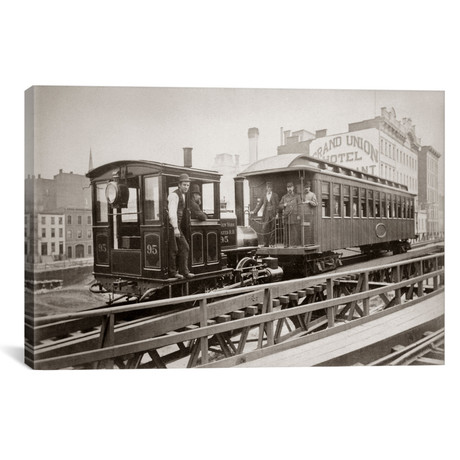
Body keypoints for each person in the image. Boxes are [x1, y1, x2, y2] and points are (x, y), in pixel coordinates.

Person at [167, 173, 195, 279]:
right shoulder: (174, 195)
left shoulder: (182, 195)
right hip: (172, 226)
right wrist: (175, 228)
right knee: (174, 249)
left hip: (176, 225)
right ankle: (173, 273)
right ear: (179, 185)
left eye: (188, 185)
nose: (186, 187)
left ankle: (184, 271)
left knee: (183, 247)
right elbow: (172, 213)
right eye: (184, 185)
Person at [250, 181, 279, 247]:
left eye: (270, 187)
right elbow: (259, 205)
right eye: (268, 187)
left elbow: (277, 205)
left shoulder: (275, 195)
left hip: (273, 214)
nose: (269, 189)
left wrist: (277, 213)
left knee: (273, 229)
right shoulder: (264, 195)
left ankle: (272, 244)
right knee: (265, 228)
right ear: (266, 188)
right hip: (266, 214)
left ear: (272, 188)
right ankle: (266, 244)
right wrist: (254, 211)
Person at [279, 182, 301, 246]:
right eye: (288, 187)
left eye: (290, 187)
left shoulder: (297, 196)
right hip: (286, 216)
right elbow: (280, 206)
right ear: (287, 188)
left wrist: (299, 215)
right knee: (286, 231)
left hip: (294, 215)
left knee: (294, 231)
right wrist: (284, 205)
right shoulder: (284, 197)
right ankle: (286, 244)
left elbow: (300, 206)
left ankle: (294, 244)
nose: (289, 189)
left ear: (293, 188)